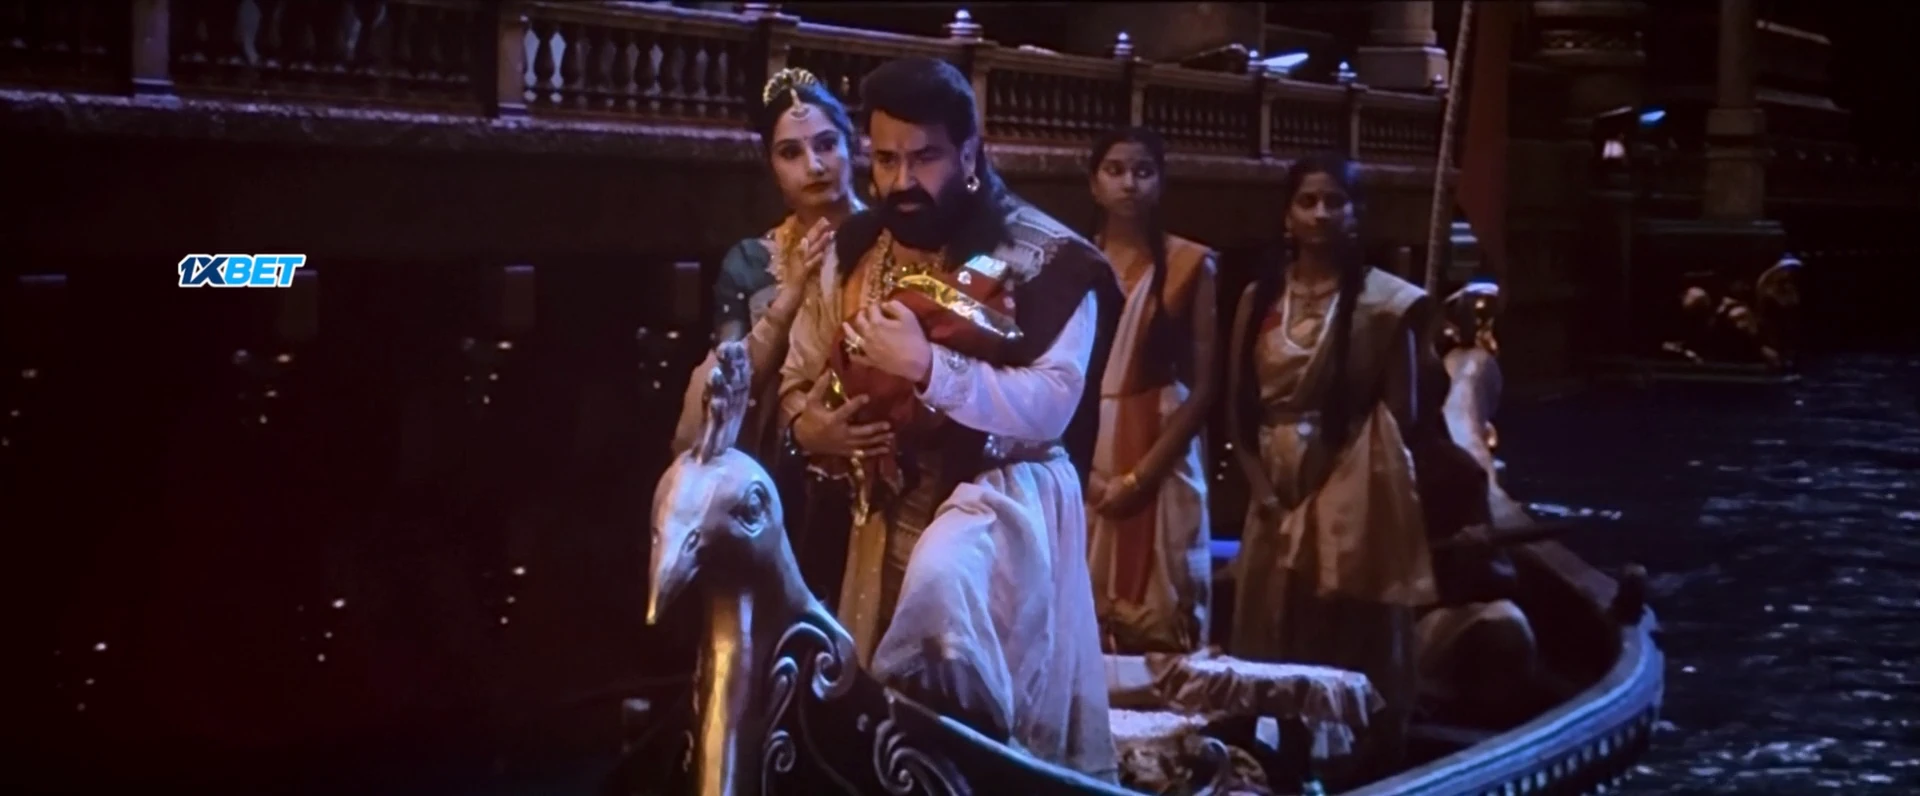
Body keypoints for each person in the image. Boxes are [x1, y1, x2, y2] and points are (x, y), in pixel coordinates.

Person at [777, 56, 1123, 780]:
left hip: (1000, 508)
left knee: (956, 658)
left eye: (925, 157)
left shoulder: (1049, 261)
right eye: (886, 159)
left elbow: (1050, 406)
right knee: (874, 733)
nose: (903, 180)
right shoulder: (855, 247)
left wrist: (929, 367)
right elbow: (799, 376)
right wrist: (809, 428)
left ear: (969, 153)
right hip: (875, 515)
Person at [1224, 156, 1491, 781]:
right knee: (1272, 625)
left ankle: (1365, 765)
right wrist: (1266, 494)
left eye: (1335, 201)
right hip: (1273, 486)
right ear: (1287, 215)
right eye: (1307, 201)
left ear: (1355, 214)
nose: (1321, 213)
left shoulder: (1383, 305)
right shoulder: (1259, 298)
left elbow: (1400, 415)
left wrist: (1337, 486)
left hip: (1350, 481)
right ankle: (1286, 763)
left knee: (1348, 621)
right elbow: (1237, 408)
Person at [669, 68, 867, 604]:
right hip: (784, 474)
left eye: (827, 144)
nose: (815, 166)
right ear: (771, 167)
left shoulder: (894, 243)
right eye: (791, 153)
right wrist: (790, 295)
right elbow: (729, 390)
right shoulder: (752, 263)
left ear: (853, 147)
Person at [1080, 127, 1219, 654]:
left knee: (1164, 616)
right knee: (1084, 613)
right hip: (1085, 445)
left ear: (1160, 183)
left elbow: (1205, 387)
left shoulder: (1190, 264)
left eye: (1143, 171)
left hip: (1162, 449)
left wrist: (1140, 478)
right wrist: (1089, 478)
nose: (1129, 183)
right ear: (1093, 184)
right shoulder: (1073, 261)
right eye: (1114, 170)